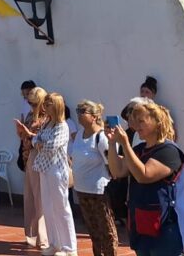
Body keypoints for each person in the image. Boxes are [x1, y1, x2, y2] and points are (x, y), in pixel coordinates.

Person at [106, 101, 184, 256]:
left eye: (141, 121)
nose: (136, 126)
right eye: (136, 121)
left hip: (162, 226)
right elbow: (117, 171)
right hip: (140, 221)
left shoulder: (169, 151)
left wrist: (125, 144)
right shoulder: (139, 150)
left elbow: (144, 175)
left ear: (157, 122)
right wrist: (112, 142)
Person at [18, 92, 77, 256]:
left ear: (56, 106)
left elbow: (51, 146)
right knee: (48, 208)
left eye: (49, 104)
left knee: (61, 208)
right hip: (44, 170)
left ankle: (69, 247)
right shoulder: (46, 124)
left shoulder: (62, 126)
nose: (45, 106)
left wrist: (39, 143)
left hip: (57, 171)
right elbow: (35, 140)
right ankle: (54, 243)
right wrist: (39, 142)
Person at [72, 101, 117, 256]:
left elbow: (111, 162)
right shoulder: (79, 134)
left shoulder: (101, 137)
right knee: (93, 231)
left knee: (106, 231)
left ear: (94, 116)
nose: (79, 114)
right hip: (82, 190)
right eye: (77, 111)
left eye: (82, 111)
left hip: (98, 191)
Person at [17, 86, 49, 250]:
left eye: (34, 103)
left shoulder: (48, 117)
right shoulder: (30, 115)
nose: (31, 106)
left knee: (40, 197)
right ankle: (31, 235)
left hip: (40, 157)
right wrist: (22, 132)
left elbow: (46, 140)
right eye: (29, 102)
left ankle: (43, 237)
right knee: (30, 196)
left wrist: (29, 134)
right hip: (28, 156)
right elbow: (26, 136)